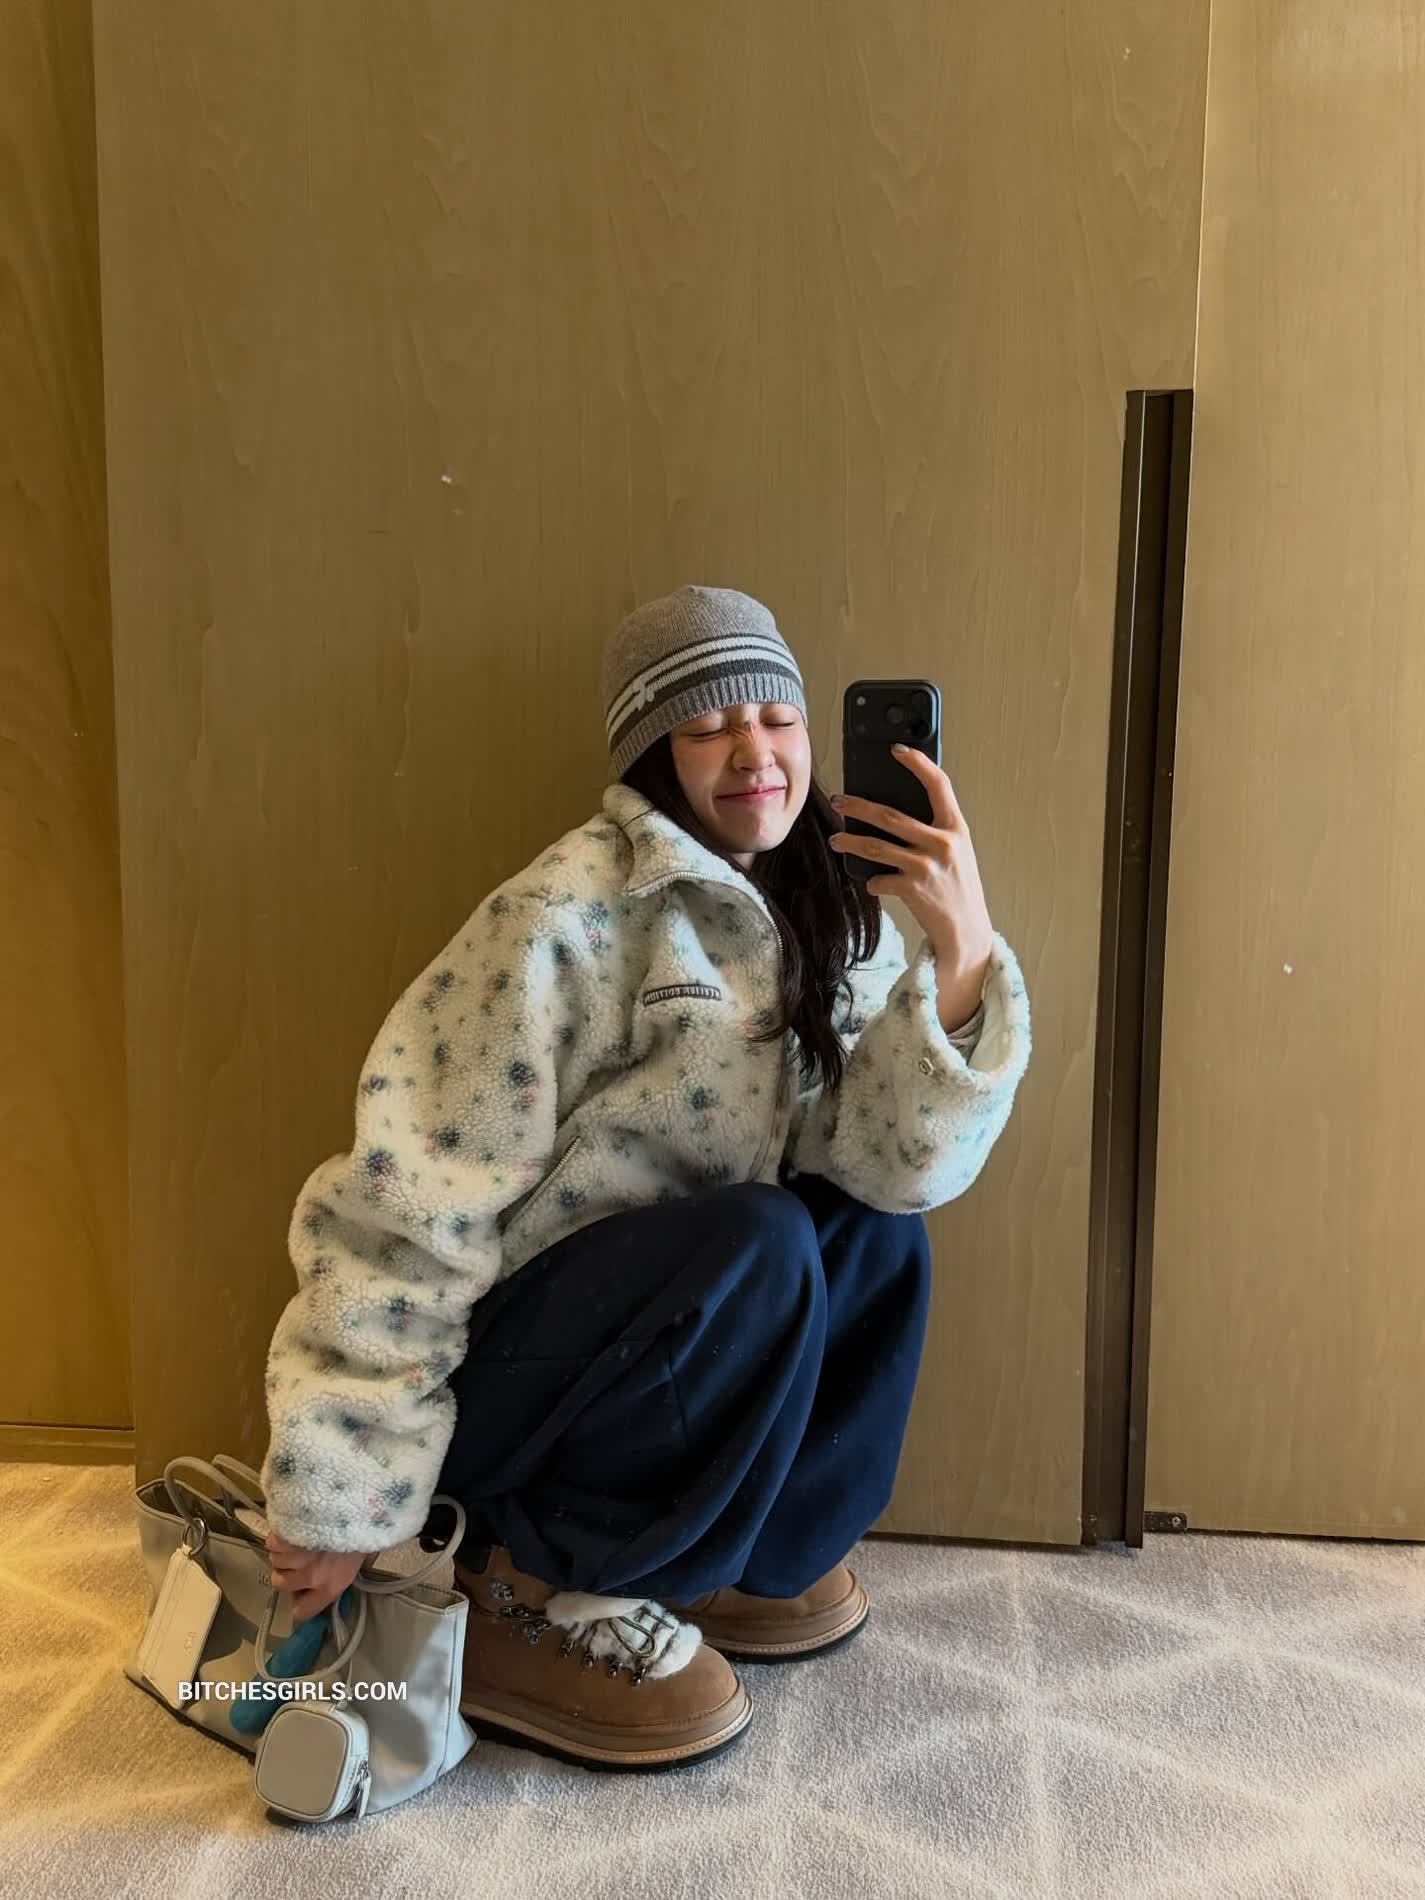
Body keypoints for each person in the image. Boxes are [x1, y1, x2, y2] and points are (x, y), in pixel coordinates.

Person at [258, 584, 1032, 1770]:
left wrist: (962, 955)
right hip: (520, 1386)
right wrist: (343, 1490)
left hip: (682, 1350)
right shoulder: (564, 918)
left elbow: (896, 1163)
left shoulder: (841, 906)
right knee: (763, 1239)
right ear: (653, 752)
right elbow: (409, 1203)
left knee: (874, 1228)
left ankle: (722, 1555)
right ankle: (528, 1580)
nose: (755, 753)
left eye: (777, 716)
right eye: (710, 725)